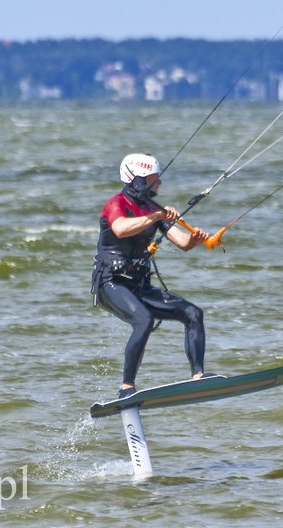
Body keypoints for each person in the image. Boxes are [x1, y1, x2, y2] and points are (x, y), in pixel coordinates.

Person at [91, 153, 213, 399]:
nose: (159, 184)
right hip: (110, 283)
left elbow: (182, 242)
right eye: (154, 179)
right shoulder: (117, 203)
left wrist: (194, 239)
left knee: (193, 313)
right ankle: (126, 388)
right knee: (143, 320)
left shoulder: (152, 209)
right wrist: (157, 216)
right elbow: (120, 228)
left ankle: (198, 375)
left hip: (138, 285)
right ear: (138, 179)